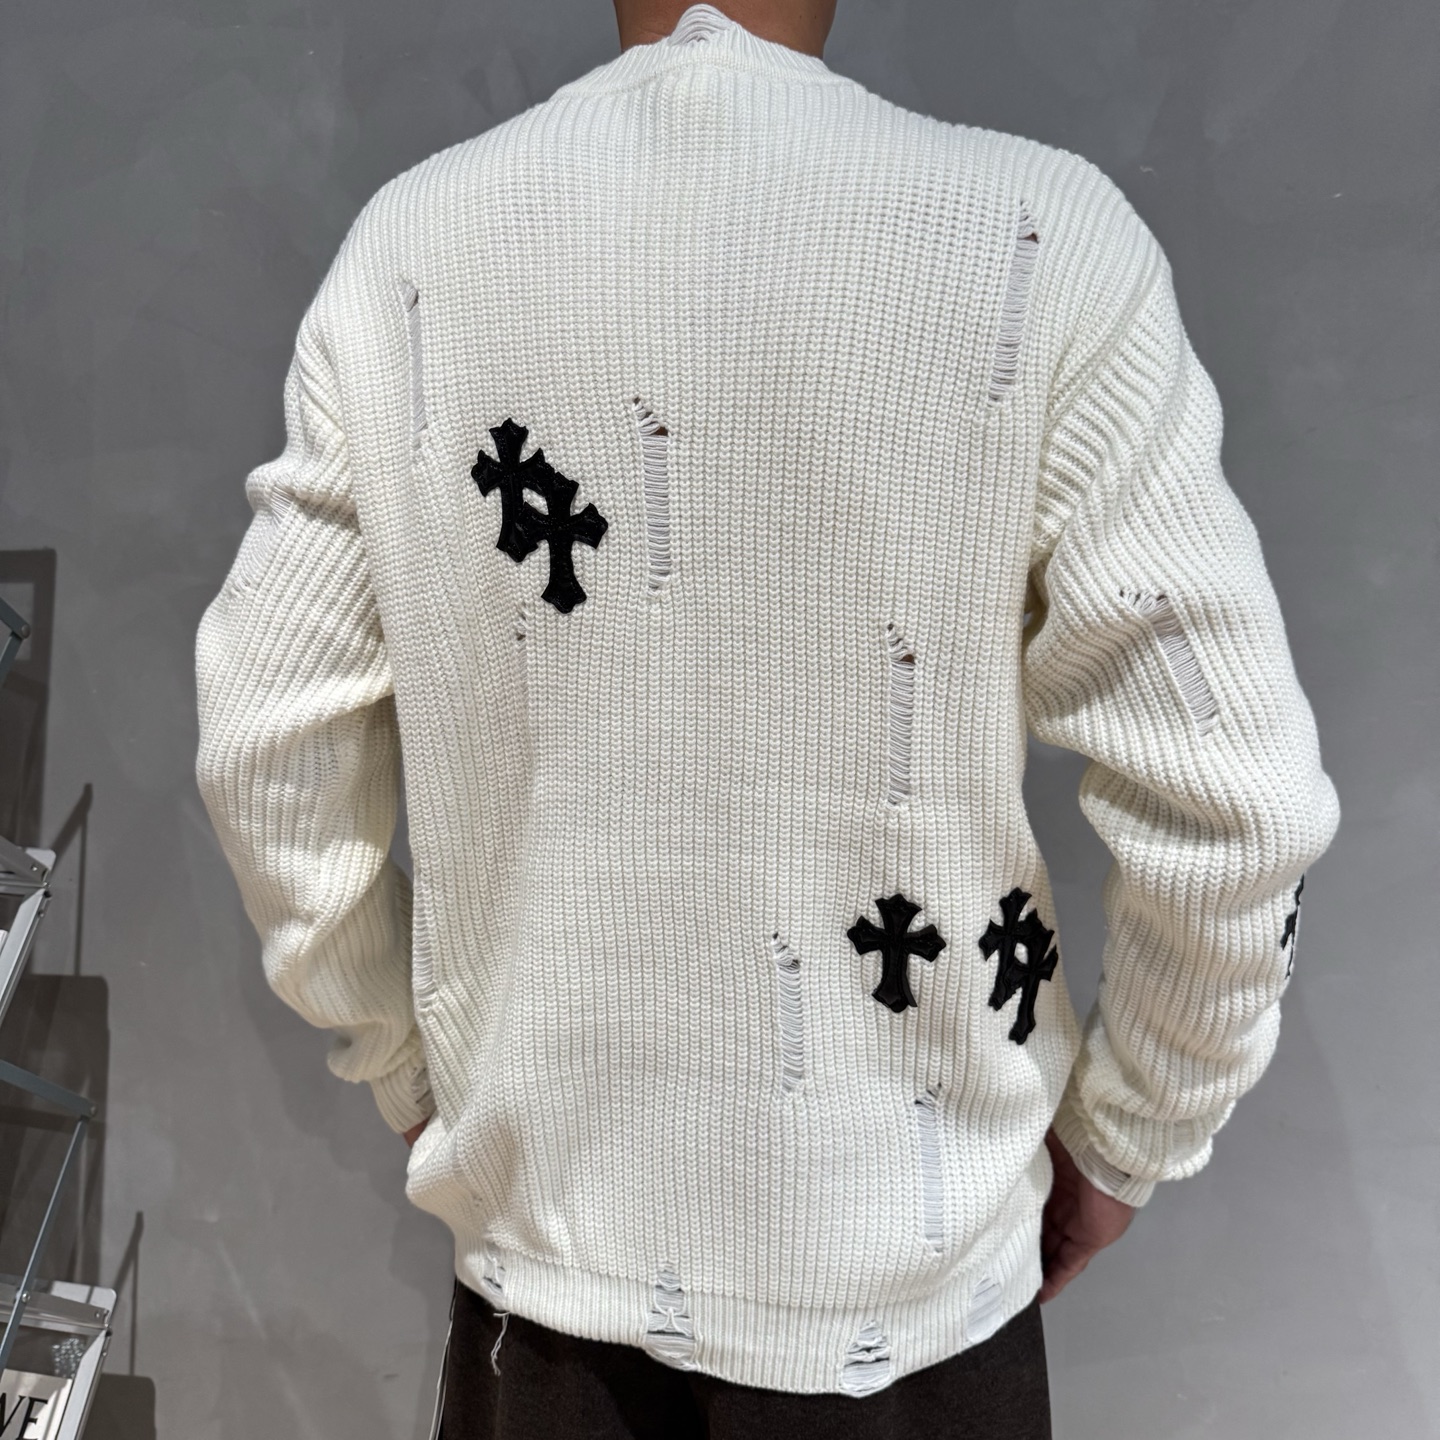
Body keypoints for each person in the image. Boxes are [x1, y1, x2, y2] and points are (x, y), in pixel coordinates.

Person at [193, 1, 1341, 1434]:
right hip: (919, 1319)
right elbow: (1237, 815)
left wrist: (405, 1067)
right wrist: (1129, 1136)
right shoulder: (1041, 248)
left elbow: (268, 750)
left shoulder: (408, 261)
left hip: (548, 1300)